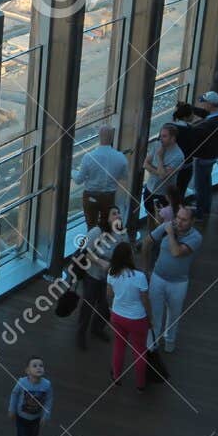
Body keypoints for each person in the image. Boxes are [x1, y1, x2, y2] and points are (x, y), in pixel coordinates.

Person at [149, 204, 202, 354]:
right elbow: (148, 241)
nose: (179, 222)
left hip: (178, 283)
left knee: (174, 315)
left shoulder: (196, 237)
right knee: (155, 314)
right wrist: (147, 269)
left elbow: (177, 252)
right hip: (157, 277)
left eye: (184, 220)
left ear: (192, 222)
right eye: (178, 217)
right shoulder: (168, 226)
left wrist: (170, 234)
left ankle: (169, 343)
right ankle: (152, 345)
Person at [105, 240, 153, 390]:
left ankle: (116, 377)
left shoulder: (111, 273)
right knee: (139, 350)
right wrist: (149, 319)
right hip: (137, 318)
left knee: (119, 346)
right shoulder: (140, 277)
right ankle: (140, 384)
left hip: (118, 316)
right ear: (129, 257)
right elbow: (145, 301)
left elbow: (109, 294)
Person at [76, 206, 121, 348]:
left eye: (119, 213)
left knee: (104, 307)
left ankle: (97, 328)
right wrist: (100, 261)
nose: (118, 216)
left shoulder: (119, 234)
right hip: (92, 275)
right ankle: (80, 335)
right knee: (88, 306)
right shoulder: (96, 232)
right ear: (106, 218)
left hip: (107, 277)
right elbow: (83, 252)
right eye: (114, 214)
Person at [74, 125, 128, 231]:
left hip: (91, 196)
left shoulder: (89, 157)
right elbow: (124, 177)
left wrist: (72, 171)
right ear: (112, 138)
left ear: (99, 136)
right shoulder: (121, 157)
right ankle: (106, 244)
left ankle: (92, 245)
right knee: (107, 224)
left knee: (91, 225)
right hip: (109, 197)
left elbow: (78, 180)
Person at [8, 355, 53, 436]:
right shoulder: (22, 382)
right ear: (27, 371)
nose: (39, 368)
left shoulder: (46, 385)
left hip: (36, 418)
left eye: (41, 365)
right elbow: (14, 394)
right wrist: (12, 409)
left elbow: (49, 400)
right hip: (21, 417)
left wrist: (46, 415)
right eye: (35, 365)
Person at [189, 91, 218, 219]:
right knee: (206, 182)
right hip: (213, 155)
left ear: (210, 104)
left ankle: (200, 212)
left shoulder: (210, 124)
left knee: (199, 186)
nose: (202, 104)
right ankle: (206, 207)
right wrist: (191, 109)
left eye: (204, 102)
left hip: (203, 156)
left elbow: (191, 132)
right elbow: (207, 114)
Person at [142, 122, 187, 218]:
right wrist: (159, 171)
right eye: (160, 135)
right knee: (149, 214)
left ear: (173, 138)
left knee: (161, 220)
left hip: (164, 194)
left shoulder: (178, 156)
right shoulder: (157, 145)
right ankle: (152, 233)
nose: (160, 139)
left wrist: (160, 157)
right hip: (149, 189)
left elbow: (163, 176)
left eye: (164, 136)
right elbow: (145, 164)